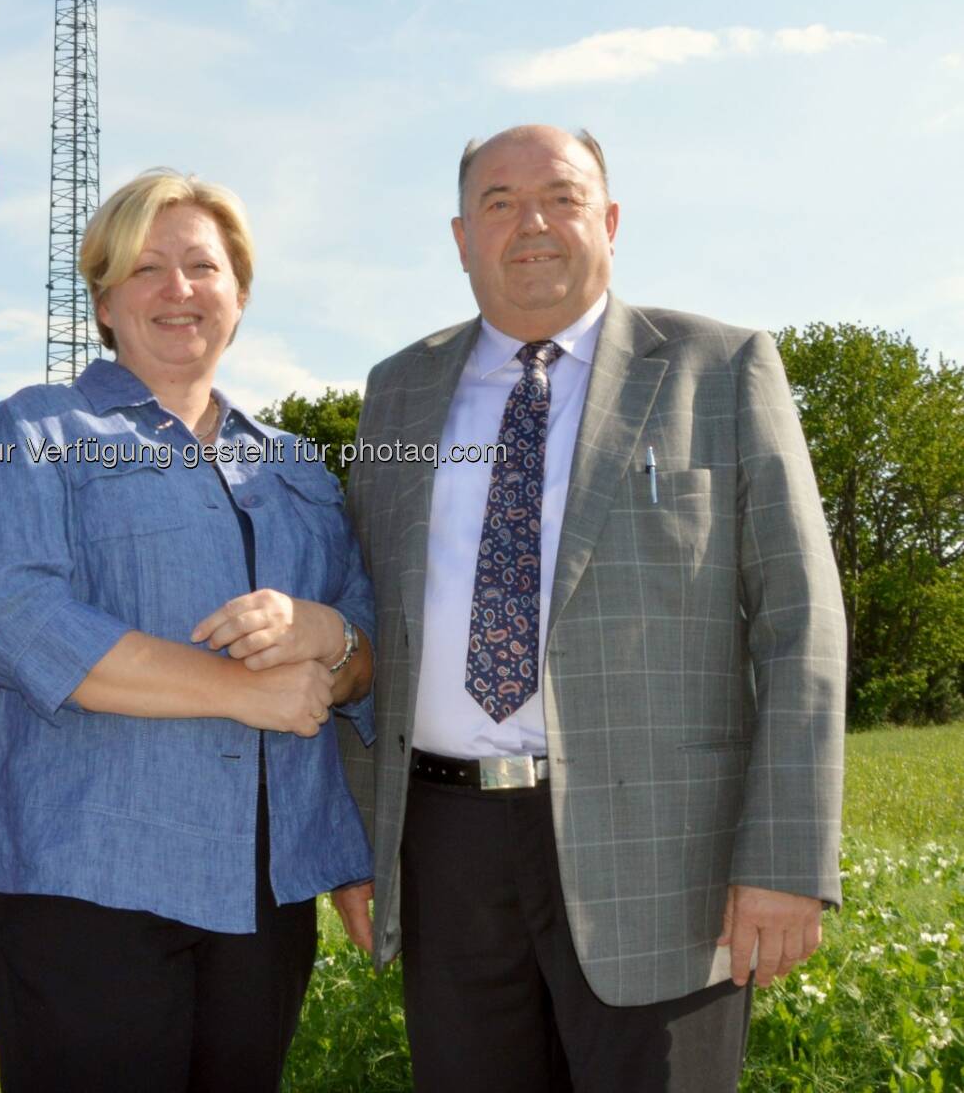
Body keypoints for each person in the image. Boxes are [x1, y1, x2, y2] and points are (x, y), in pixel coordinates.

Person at [332, 124, 847, 1092]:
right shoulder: (395, 395)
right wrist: (354, 840)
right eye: (497, 202)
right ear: (458, 238)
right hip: (444, 857)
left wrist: (784, 856)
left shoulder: (719, 369)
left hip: (663, 861)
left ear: (607, 221)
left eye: (560, 197)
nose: (530, 222)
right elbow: (369, 624)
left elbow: (799, 623)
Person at [0, 169, 375, 1093]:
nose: (178, 290)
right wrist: (240, 690)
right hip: (89, 878)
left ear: (239, 295)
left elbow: (366, 651)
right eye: (146, 268)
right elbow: (14, 618)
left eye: (202, 266)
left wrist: (324, 636)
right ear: (103, 301)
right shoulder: (35, 431)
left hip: (267, 884)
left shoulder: (298, 467)